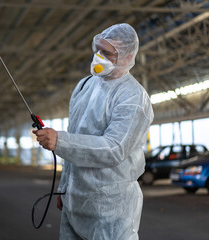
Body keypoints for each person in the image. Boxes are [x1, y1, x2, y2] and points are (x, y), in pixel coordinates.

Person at [33, 23, 154, 239]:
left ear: (127, 58)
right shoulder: (85, 86)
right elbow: (75, 135)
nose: (99, 57)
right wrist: (64, 188)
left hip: (110, 208)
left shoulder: (133, 97)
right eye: (98, 50)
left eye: (107, 53)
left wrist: (59, 141)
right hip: (75, 200)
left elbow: (114, 148)